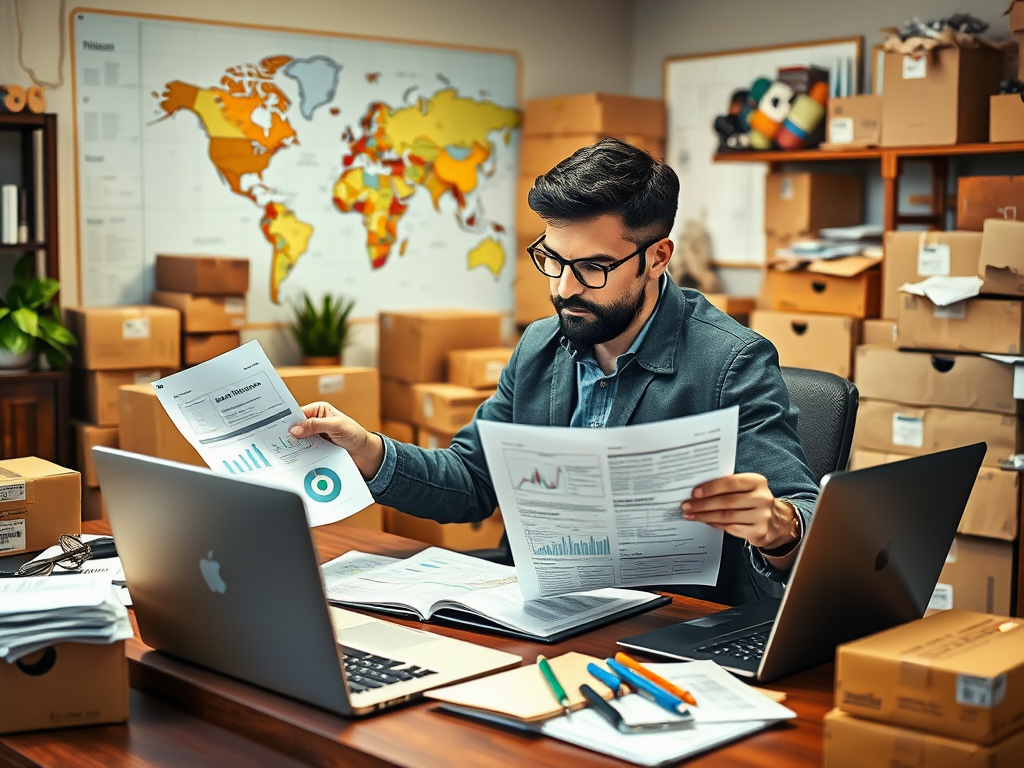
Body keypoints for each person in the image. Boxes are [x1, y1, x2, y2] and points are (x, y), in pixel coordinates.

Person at [290, 137, 819, 606]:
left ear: (657, 257)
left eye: (593, 267)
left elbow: (808, 514)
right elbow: (473, 480)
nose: (565, 288)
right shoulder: (541, 344)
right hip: (542, 607)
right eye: (553, 259)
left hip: (671, 621)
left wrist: (779, 527)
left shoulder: (731, 361)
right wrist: (367, 450)